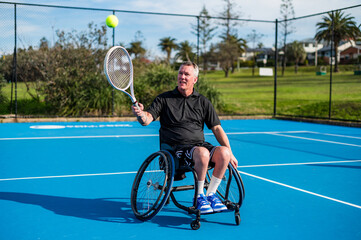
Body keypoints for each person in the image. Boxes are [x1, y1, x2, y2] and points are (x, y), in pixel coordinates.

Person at [131, 61, 238, 214]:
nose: (182, 77)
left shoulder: (203, 101)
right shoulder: (164, 99)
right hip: (176, 150)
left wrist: (231, 152)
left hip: (199, 146)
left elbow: (217, 128)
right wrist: (141, 114)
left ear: (195, 79)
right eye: (180, 73)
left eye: (186, 74)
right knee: (202, 153)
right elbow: (147, 119)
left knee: (224, 153)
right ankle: (200, 196)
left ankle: (211, 194)